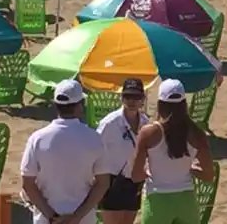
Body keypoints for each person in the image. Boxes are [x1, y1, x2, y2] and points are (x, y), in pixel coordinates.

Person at [20, 80, 111, 224]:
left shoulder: (37, 138)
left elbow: (28, 184)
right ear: (80, 106)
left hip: (46, 220)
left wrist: (52, 217)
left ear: (56, 106)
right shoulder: (94, 138)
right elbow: (103, 183)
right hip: (83, 220)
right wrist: (76, 217)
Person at [131, 79, 214, 224]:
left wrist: (149, 171)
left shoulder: (148, 133)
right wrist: (191, 169)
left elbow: (136, 175)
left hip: (158, 201)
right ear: (184, 104)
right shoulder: (197, 134)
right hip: (186, 202)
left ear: (160, 104)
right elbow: (208, 175)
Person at [97, 79, 149, 224]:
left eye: (136, 97)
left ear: (143, 99)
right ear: (121, 98)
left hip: (134, 182)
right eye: (128, 96)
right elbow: (94, 150)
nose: (132, 101)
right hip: (112, 182)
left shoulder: (145, 123)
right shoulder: (109, 123)